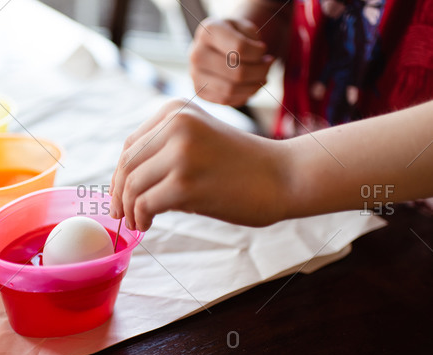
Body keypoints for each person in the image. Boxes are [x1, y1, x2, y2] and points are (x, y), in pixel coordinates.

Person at [109, 0, 433, 231]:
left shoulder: (283, 173)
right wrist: (250, 32)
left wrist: (284, 172)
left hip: (415, 232)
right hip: (308, 204)